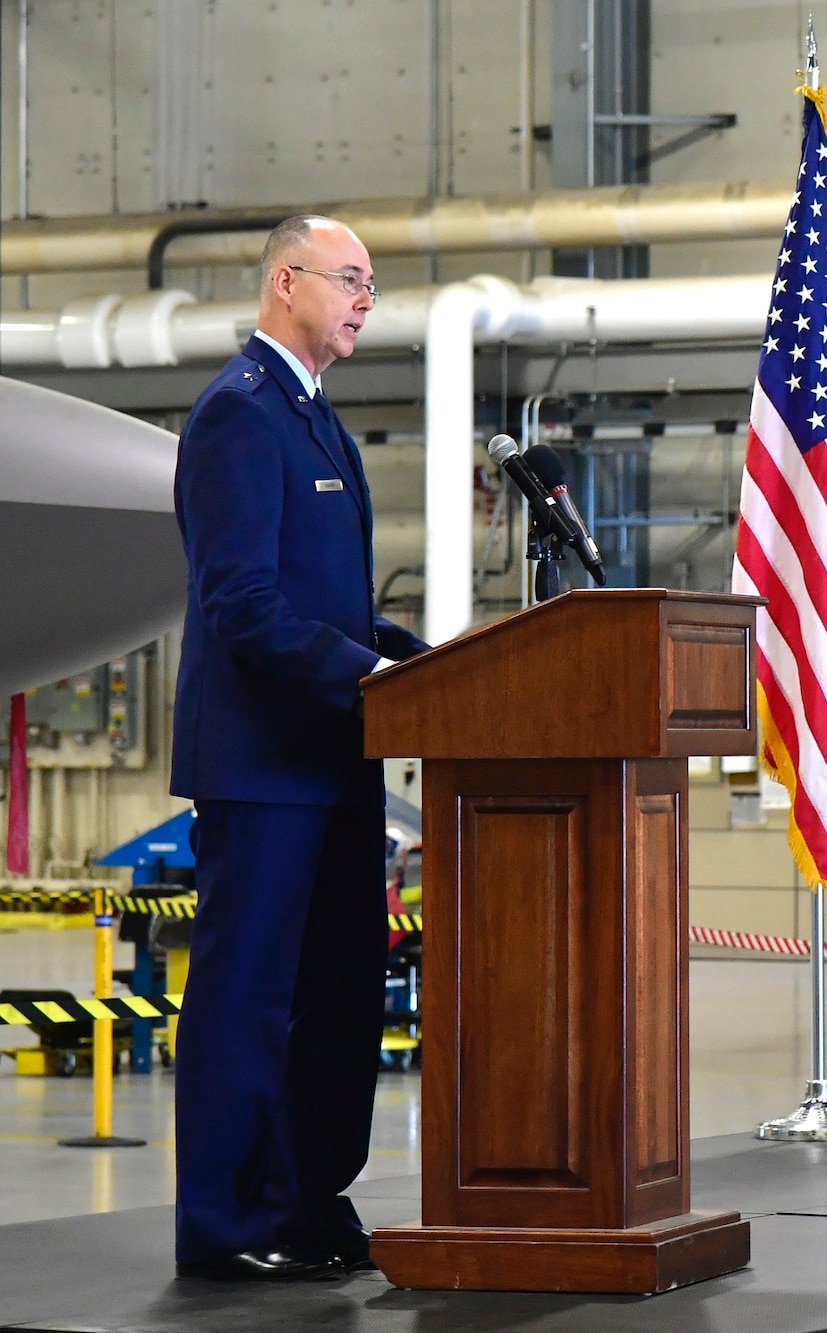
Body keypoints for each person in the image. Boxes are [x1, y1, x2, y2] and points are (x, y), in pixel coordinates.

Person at [170, 215, 429, 1282]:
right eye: (351, 279)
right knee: (249, 998)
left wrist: (421, 659)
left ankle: (304, 1200)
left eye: (373, 282)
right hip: (263, 768)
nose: (367, 297)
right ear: (287, 281)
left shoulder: (319, 422)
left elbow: (338, 608)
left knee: (334, 995)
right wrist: (367, 674)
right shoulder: (239, 416)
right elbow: (241, 606)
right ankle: (225, 1226)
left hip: (335, 762)